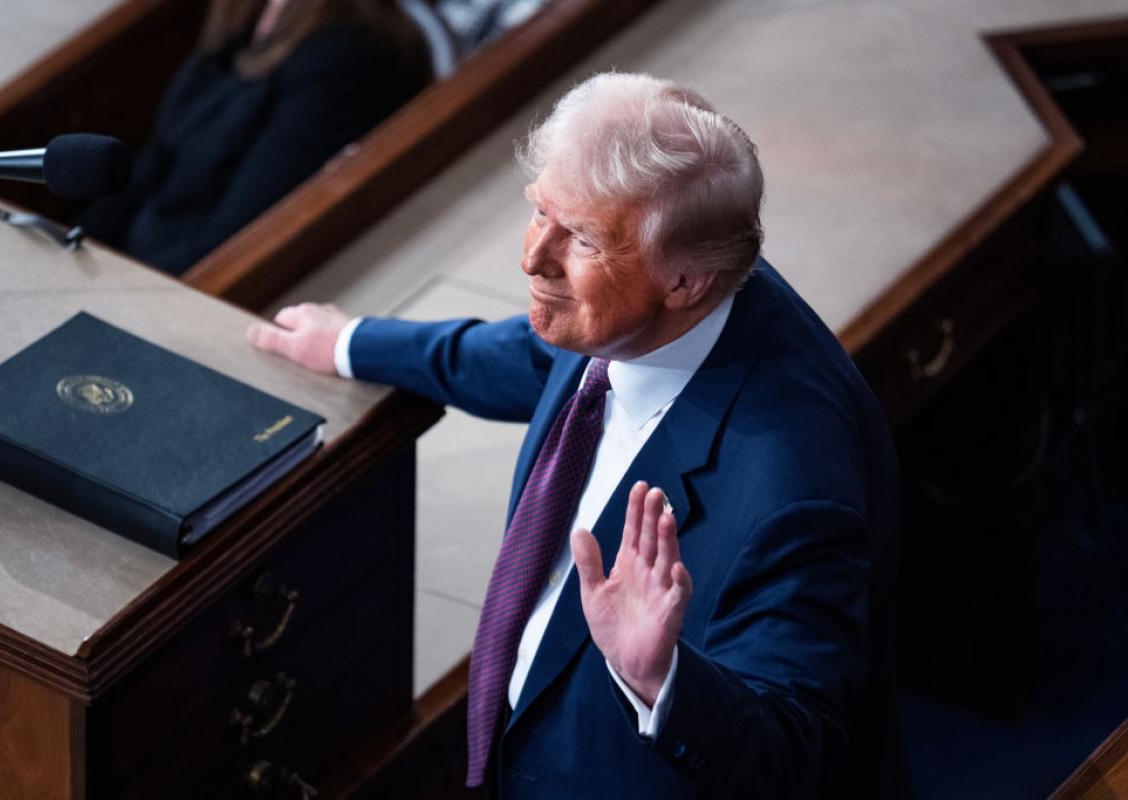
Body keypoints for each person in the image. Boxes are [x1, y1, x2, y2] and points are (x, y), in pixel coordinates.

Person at [247, 72, 902, 798]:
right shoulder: (665, 286)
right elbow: (538, 353)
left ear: (684, 282)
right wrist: (352, 344)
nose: (532, 257)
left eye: (582, 239)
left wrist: (663, 681)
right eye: (540, 213)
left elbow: (797, 755)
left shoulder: (792, 489)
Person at [77, 0, 430, 275]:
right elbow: (155, 159)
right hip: (132, 258)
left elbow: (237, 235)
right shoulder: (244, 19)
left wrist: (120, 286)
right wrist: (78, 244)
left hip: (180, 284)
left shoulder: (353, 52)